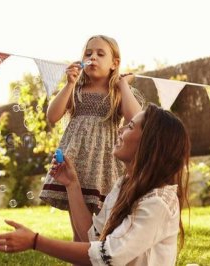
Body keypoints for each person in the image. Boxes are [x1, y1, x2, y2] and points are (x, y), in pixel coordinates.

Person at [0, 104, 190, 265]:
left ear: (150, 143)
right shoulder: (123, 186)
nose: (119, 130)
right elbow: (92, 239)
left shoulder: (159, 201)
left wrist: (35, 241)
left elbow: (108, 256)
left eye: (129, 126)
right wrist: (72, 185)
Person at [39, 35, 143, 242]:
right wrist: (69, 83)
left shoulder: (118, 92)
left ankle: (102, 257)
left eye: (100, 54)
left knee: (108, 226)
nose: (93, 57)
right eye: (88, 53)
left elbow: (137, 119)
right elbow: (52, 116)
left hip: (106, 165)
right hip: (76, 163)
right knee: (79, 229)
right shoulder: (76, 88)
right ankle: (81, 257)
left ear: (114, 63)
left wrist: (123, 84)